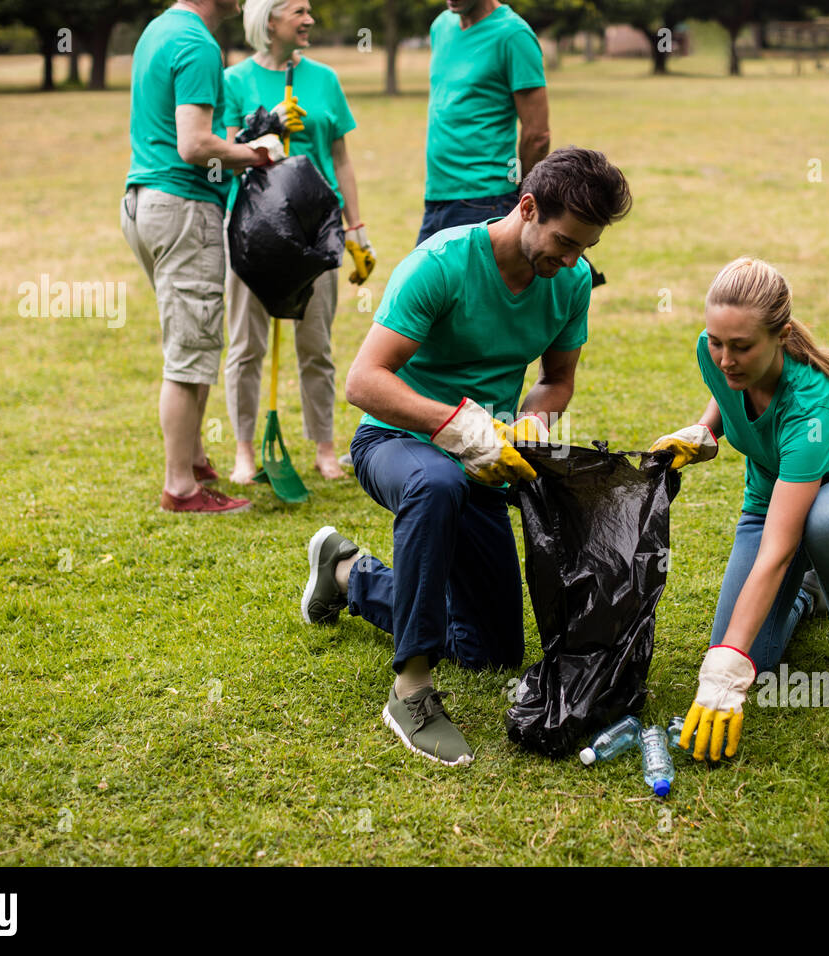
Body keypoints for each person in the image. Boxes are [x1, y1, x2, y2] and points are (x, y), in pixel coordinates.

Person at [299, 148, 632, 767]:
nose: (570, 262)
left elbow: (557, 378)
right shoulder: (441, 265)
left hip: (484, 461)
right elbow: (364, 382)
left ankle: (346, 574)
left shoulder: (571, 282)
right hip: (399, 443)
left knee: (491, 650)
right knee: (436, 484)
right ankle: (411, 691)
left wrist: (532, 420)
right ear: (527, 207)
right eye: (563, 242)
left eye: (583, 249)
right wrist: (459, 427)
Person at [651, 258, 829, 763]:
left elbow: (778, 549)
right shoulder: (716, 353)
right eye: (716, 341)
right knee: (753, 661)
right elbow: (726, 390)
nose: (724, 358)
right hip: (770, 505)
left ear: (781, 335)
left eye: (741, 346)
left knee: (822, 523)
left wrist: (722, 677)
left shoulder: (814, 405)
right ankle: (813, 594)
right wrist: (704, 430)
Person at [121, 0, 297, 513]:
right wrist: (257, 154)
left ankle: (193, 456)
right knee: (192, 350)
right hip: (182, 206)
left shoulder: (160, 30)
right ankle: (182, 488)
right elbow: (194, 144)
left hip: (143, 202)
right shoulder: (197, 43)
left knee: (188, 332)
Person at [223, 0, 374, 484]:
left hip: (316, 228)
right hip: (254, 230)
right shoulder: (234, 80)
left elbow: (341, 160)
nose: (310, 19)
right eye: (299, 11)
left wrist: (356, 229)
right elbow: (227, 154)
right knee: (247, 344)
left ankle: (325, 449)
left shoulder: (325, 79)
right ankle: (245, 452)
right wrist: (266, 127)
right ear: (270, 20)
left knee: (317, 344)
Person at [416, 0, 550, 246]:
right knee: (423, 284)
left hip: (487, 200)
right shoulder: (441, 26)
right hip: (436, 195)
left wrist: (521, 194)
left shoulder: (513, 35)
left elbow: (537, 134)